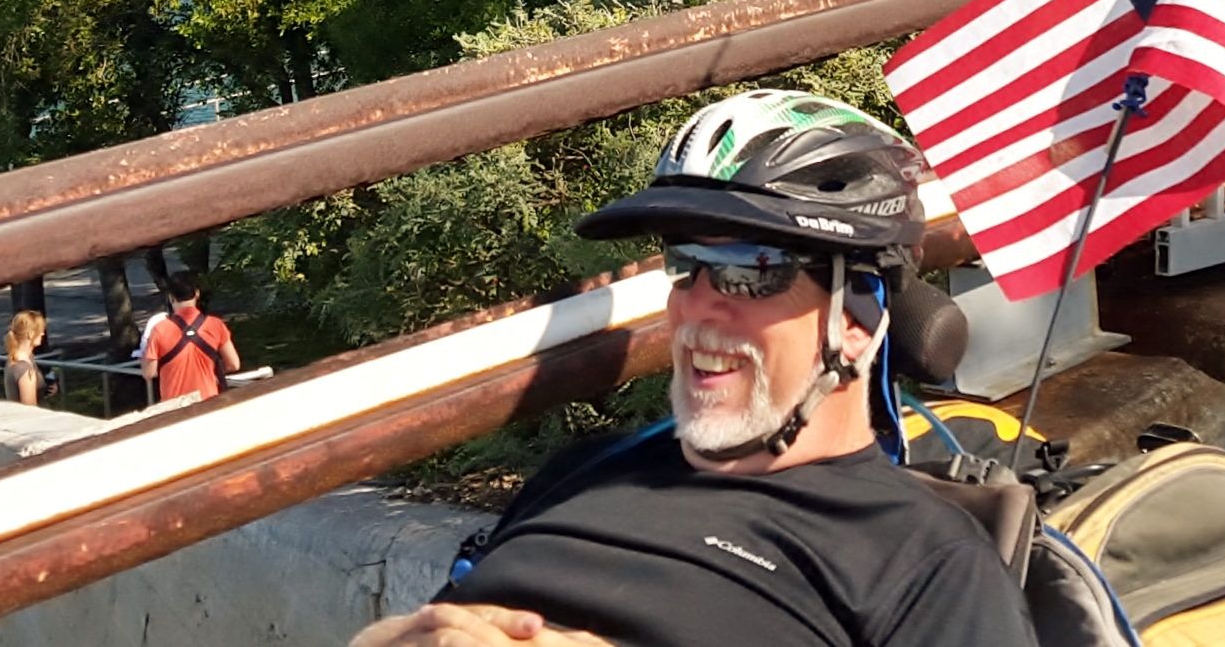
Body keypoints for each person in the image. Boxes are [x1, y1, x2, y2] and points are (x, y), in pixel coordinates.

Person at [350, 91, 1038, 647]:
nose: (695, 309)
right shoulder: (580, 471)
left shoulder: (920, 558)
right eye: (685, 266)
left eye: (750, 272)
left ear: (854, 323)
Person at [140, 270, 240, 403]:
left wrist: (143, 353)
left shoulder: (159, 329)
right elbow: (233, 364)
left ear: (171, 298)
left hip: (174, 407)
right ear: (197, 293)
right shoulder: (215, 325)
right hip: (208, 402)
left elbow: (149, 373)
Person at [3, 309, 46, 407]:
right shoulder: (24, 367)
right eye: (40, 331)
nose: (43, 334)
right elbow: (30, 407)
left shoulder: (15, 358)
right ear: (31, 334)